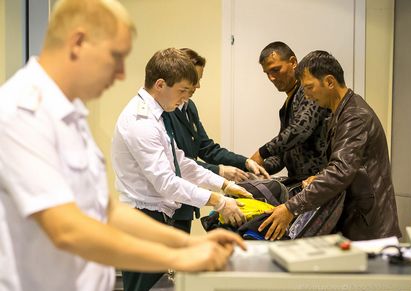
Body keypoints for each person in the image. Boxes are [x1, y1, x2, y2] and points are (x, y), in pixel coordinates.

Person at [0, 1, 246, 291]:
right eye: (115, 57)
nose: (119, 73)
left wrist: (188, 242)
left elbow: (104, 209)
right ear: (78, 42)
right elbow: (66, 229)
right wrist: (180, 255)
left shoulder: (69, 114)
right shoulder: (22, 112)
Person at [111, 48, 252, 291]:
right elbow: (166, 182)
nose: (185, 99)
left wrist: (224, 185)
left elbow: (181, 161)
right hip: (144, 217)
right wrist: (218, 201)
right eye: (182, 91)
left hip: (157, 216)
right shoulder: (141, 122)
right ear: (160, 84)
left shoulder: (157, 116)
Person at [258, 50, 401, 241]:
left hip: (369, 226)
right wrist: (318, 177)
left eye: (309, 88)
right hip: (357, 218)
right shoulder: (340, 113)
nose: (307, 97)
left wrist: (291, 207)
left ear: (330, 82)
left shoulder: (355, 117)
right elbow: (348, 165)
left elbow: (340, 171)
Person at [167, 48, 270, 183]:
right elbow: (176, 162)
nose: (198, 86)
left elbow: (206, 148)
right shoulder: (165, 110)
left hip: (190, 191)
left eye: (199, 79)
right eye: (194, 80)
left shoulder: (189, 107)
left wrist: (245, 162)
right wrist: (219, 171)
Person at [250, 41, 330, 185]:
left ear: (293, 62)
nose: (271, 78)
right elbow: (283, 155)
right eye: (267, 73)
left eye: (275, 70)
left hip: (319, 183)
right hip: (299, 182)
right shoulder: (287, 104)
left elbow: (300, 129)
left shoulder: (310, 92)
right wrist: (258, 168)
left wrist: (262, 152)